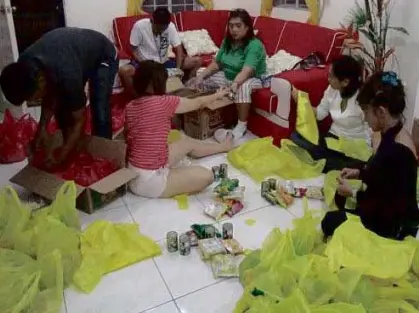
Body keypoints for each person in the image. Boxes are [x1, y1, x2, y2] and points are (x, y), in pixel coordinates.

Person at [321, 71, 419, 240]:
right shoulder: (393, 132)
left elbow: (384, 204)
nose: (365, 119)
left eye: (366, 112)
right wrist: (360, 172)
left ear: (381, 112)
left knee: (329, 222)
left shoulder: (398, 150)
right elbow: (382, 176)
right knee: (339, 197)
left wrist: (353, 192)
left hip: (392, 226)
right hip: (384, 211)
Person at [0, 27, 118, 167]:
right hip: (70, 53)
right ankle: (74, 147)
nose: (32, 101)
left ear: (40, 82)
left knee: (99, 107)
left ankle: (102, 161)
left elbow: (80, 119)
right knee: (63, 109)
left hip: (104, 55)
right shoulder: (24, 65)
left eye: (32, 98)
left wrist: (62, 154)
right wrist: (41, 129)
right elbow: (49, 95)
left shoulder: (67, 75)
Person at [126, 60, 233, 198]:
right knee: (207, 176)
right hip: (150, 181)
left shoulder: (130, 106)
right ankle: (174, 181)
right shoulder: (164, 102)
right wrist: (218, 95)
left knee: (185, 143)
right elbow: (198, 103)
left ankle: (224, 147)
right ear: (158, 83)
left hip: (135, 172)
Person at [188, 9, 267, 141]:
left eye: (238, 26)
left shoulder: (255, 45)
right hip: (230, 76)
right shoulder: (227, 41)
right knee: (201, 73)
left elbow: (246, 71)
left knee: (243, 86)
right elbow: (217, 63)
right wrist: (200, 76)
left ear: (247, 27)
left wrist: (235, 84)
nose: (234, 29)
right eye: (231, 26)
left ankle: (241, 125)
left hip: (254, 78)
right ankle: (203, 111)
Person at [290, 55, 370, 172]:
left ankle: (335, 165)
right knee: (296, 137)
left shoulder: (362, 99)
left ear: (345, 82)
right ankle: (331, 164)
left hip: (354, 147)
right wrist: (301, 100)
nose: (328, 79)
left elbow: (373, 132)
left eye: (331, 76)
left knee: (352, 163)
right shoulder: (331, 89)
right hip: (333, 141)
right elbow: (320, 114)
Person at [119, 8, 202, 97]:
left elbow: (178, 48)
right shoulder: (140, 26)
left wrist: (177, 69)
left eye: (163, 29)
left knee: (197, 61)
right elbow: (133, 48)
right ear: (152, 21)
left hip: (163, 63)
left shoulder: (170, 27)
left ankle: (187, 89)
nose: (160, 31)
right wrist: (143, 64)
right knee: (123, 71)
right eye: (158, 28)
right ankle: (137, 98)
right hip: (144, 63)